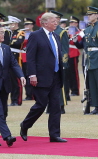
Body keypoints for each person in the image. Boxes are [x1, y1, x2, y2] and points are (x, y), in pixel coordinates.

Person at [20, 12, 67, 143]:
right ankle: (25, 125)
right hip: (41, 77)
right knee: (40, 105)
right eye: (54, 21)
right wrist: (32, 75)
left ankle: (54, 134)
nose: (56, 23)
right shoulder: (35, 36)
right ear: (45, 23)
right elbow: (31, 57)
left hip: (56, 76)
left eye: (57, 21)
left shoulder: (56, 36)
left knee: (55, 106)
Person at [83, 6, 98, 115]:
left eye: (91, 15)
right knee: (92, 84)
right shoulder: (88, 29)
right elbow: (86, 47)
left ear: (97, 16)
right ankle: (95, 105)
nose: (89, 17)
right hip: (90, 59)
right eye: (88, 15)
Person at [50, 10, 69, 112]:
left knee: (59, 85)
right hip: (49, 62)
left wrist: (64, 62)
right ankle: (51, 105)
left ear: (58, 19)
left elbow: (65, 49)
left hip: (59, 61)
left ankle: (61, 105)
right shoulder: (49, 31)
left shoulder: (62, 32)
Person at [8, 15, 25, 106]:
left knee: (17, 80)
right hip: (8, 56)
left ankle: (17, 100)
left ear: (16, 23)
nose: (10, 25)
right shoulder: (8, 33)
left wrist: (9, 41)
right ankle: (12, 100)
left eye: (12, 23)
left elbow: (18, 43)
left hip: (16, 56)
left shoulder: (20, 32)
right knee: (10, 80)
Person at [22, 18, 35, 101]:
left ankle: (32, 94)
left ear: (32, 25)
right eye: (26, 25)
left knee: (31, 76)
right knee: (24, 76)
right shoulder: (22, 34)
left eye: (29, 24)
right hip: (23, 56)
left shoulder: (34, 34)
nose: (27, 26)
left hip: (30, 56)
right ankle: (28, 94)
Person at [68, 16, 82, 96]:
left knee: (74, 73)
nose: (71, 24)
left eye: (73, 22)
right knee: (69, 73)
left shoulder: (78, 32)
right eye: (71, 22)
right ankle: (71, 89)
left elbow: (76, 42)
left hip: (74, 52)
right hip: (68, 52)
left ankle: (75, 90)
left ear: (76, 24)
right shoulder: (68, 31)